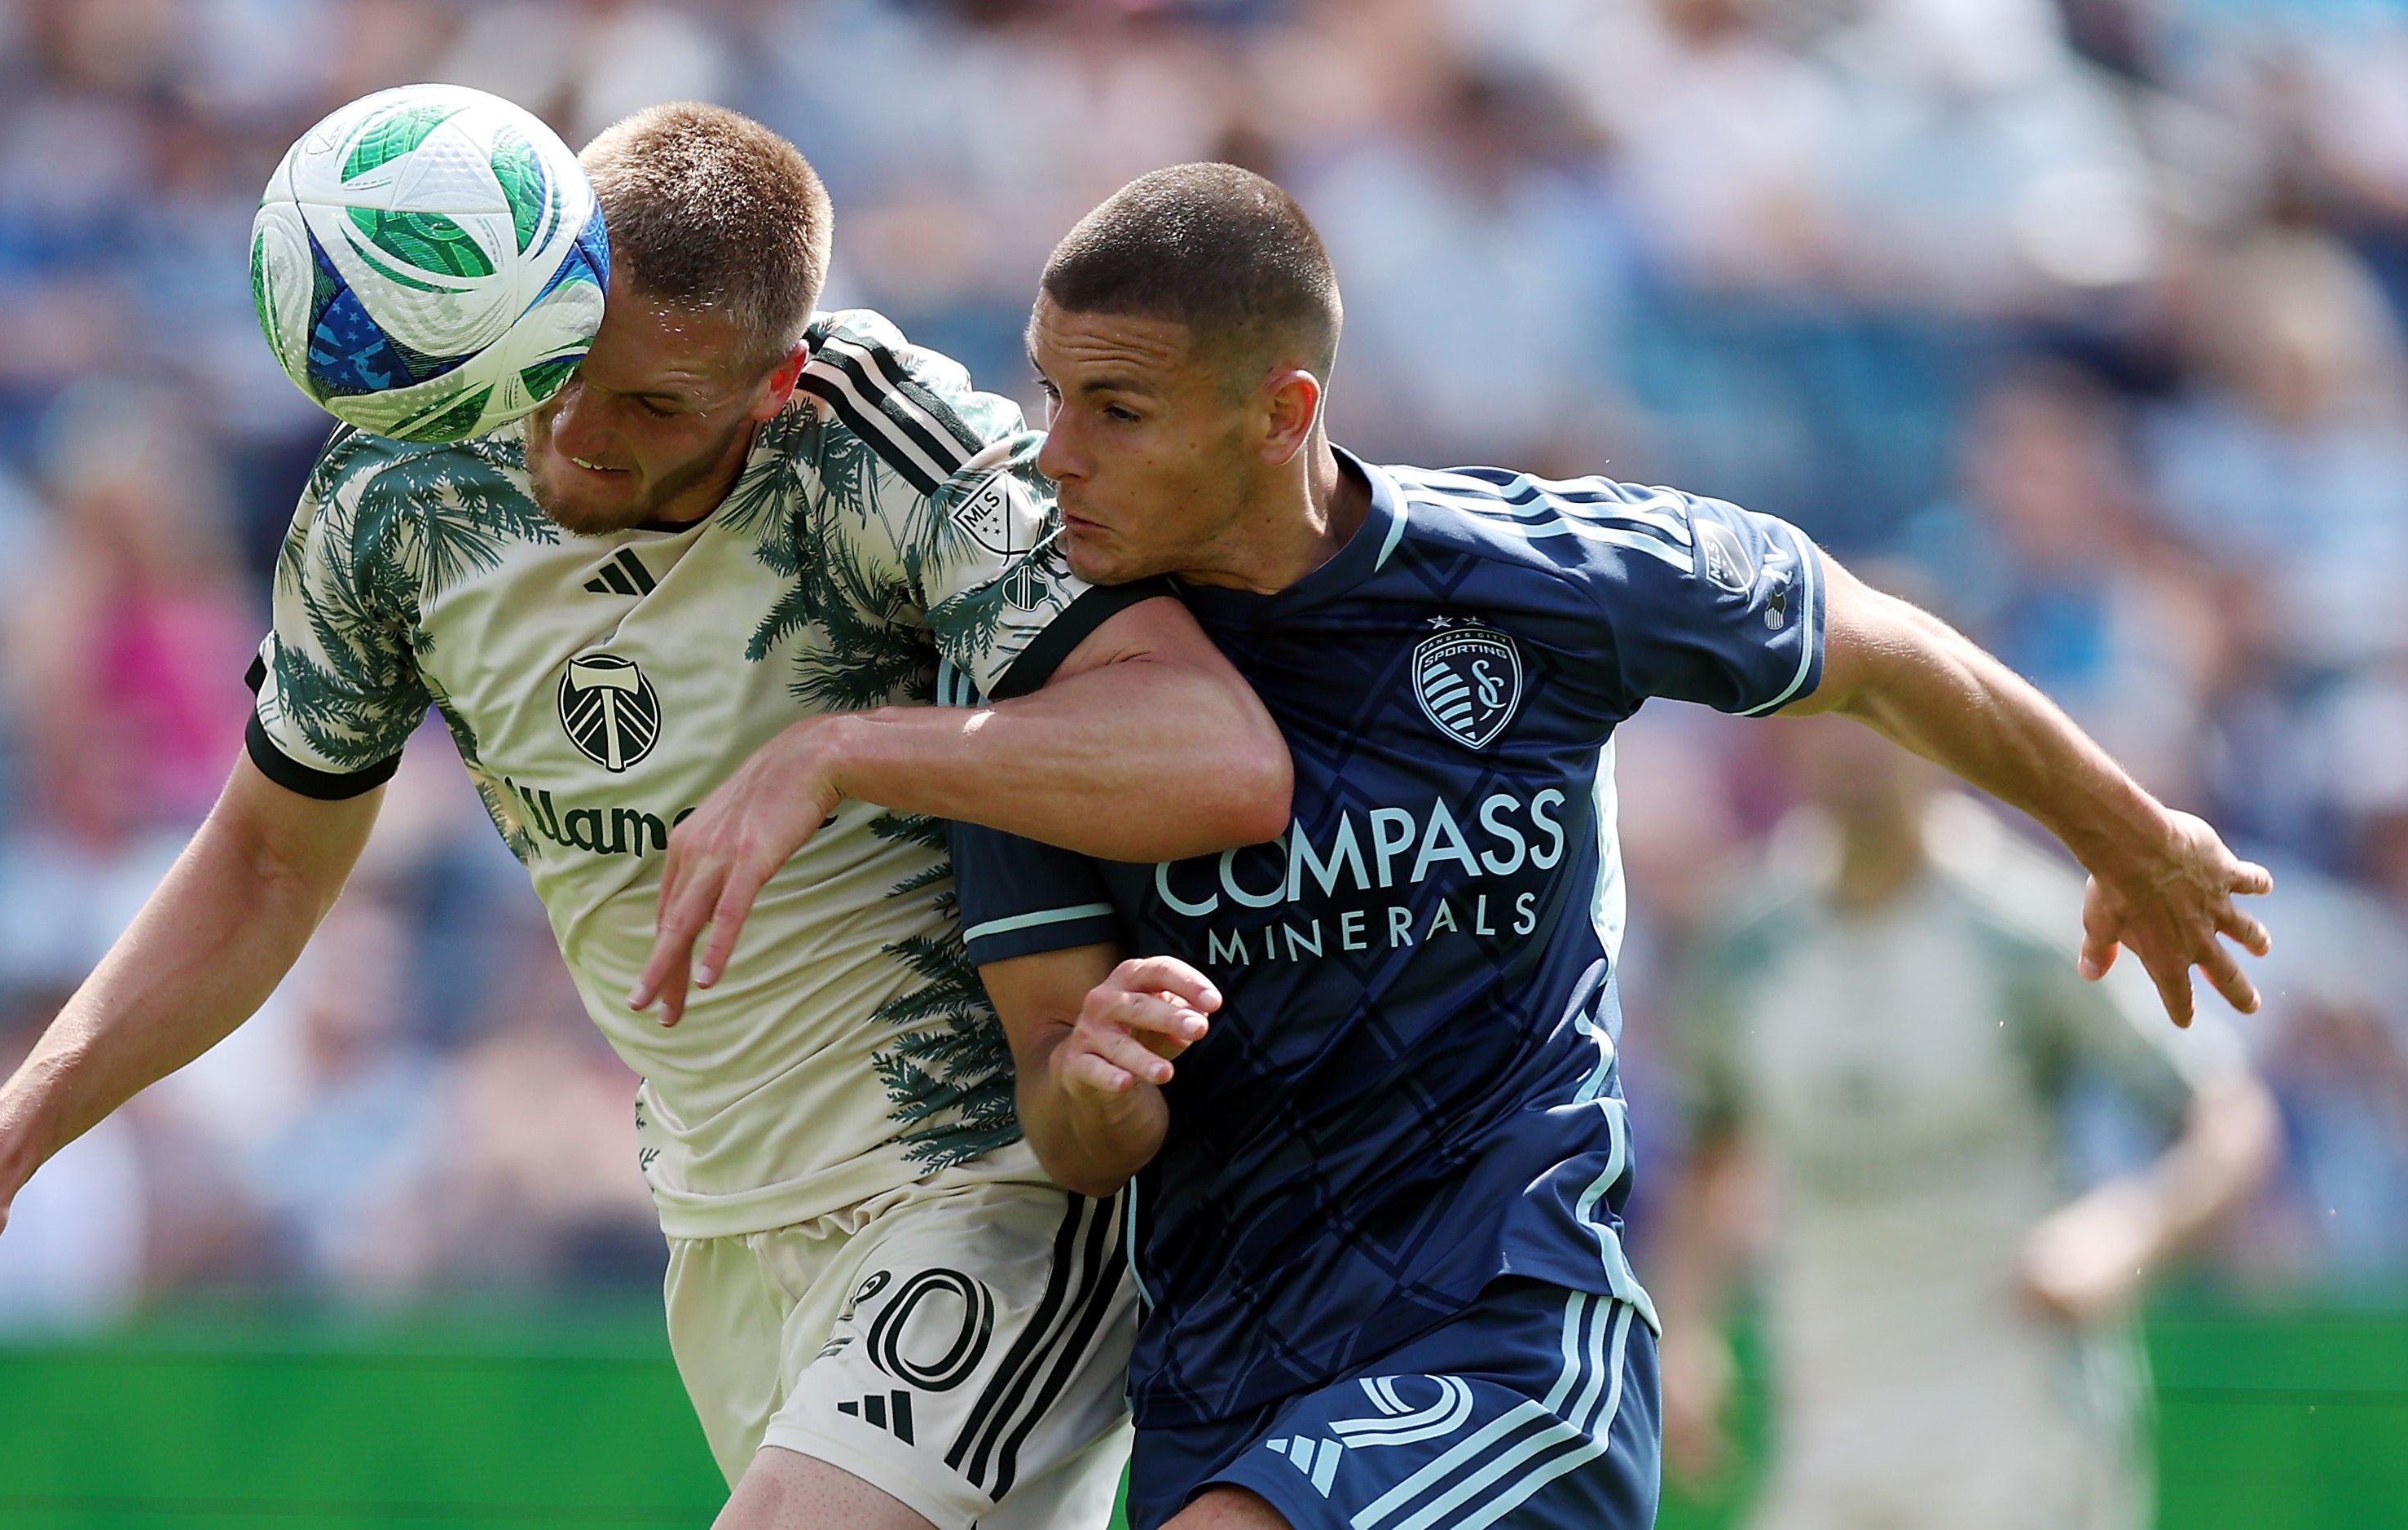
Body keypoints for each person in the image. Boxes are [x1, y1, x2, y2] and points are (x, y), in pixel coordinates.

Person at [0, 106, 1296, 1530]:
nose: (581, 435)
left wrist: (842, 751)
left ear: (772, 385)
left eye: (658, 407)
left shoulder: (878, 449)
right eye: (567, 370)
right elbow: (268, 863)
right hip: (720, 1221)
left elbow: (1217, 752)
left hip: (996, 1187)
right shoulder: (401, 487)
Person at [943, 164, 2273, 1530]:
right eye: (1050, 392)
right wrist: (1096, 1083)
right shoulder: (1030, 691)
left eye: (1117, 408)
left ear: (1281, 413)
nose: (1057, 451)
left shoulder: (1538, 574)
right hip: (1223, 1383)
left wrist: (2132, 838)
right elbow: (1073, 1124)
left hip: (1511, 1349)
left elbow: (1878, 653)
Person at [1659, 716, 2278, 1530]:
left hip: (2015, 1418)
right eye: (1829, 719)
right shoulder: (1744, 942)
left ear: (1938, 726)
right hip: (1827, 1424)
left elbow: (2229, 1117)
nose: (1855, 748)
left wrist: (2126, 1230)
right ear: (1784, 739)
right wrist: (1684, 1330)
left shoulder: (2022, 925)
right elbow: (1709, 1148)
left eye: (1879, 717)